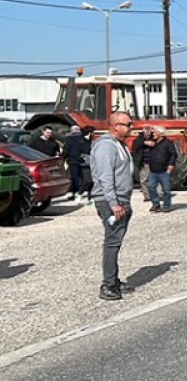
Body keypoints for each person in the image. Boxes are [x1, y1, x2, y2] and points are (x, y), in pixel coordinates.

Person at [91, 112, 136, 301]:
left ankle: (114, 280)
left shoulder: (120, 145)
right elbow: (105, 176)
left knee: (115, 242)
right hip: (111, 201)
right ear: (115, 126)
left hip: (121, 199)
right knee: (112, 242)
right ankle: (108, 284)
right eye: (127, 124)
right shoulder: (106, 146)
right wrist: (114, 203)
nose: (131, 127)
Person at [144, 126, 177, 213]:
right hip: (153, 171)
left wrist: (171, 165)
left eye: (155, 132)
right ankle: (156, 204)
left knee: (166, 189)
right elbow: (138, 143)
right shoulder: (152, 142)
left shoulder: (168, 143)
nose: (153, 133)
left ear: (161, 134)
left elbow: (173, 154)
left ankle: (166, 205)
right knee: (151, 187)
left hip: (164, 171)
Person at [63, 125, 90, 202]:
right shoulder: (83, 138)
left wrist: (65, 157)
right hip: (82, 160)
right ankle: (81, 192)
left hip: (72, 161)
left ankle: (75, 193)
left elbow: (66, 149)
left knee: (74, 178)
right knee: (83, 177)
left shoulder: (69, 138)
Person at [130, 127, 153, 202]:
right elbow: (135, 146)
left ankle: (158, 194)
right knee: (144, 180)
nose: (148, 134)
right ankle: (147, 196)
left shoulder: (154, 138)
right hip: (144, 162)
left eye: (149, 132)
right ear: (143, 132)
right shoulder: (139, 139)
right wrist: (145, 142)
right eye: (146, 132)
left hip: (154, 162)